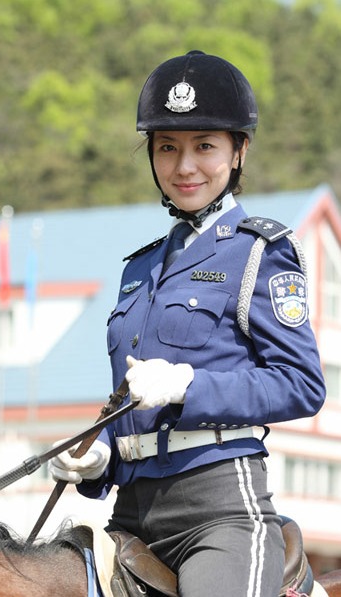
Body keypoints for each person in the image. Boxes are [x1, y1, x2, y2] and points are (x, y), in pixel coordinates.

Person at [49, 51, 326, 596]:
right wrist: (99, 456)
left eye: (205, 146)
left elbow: (301, 385)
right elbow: (129, 397)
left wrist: (188, 386)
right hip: (130, 513)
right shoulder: (140, 267)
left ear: (239, 150)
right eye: (167, 148)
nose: (184, 167)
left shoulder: (260, 253)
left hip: (218, 511)